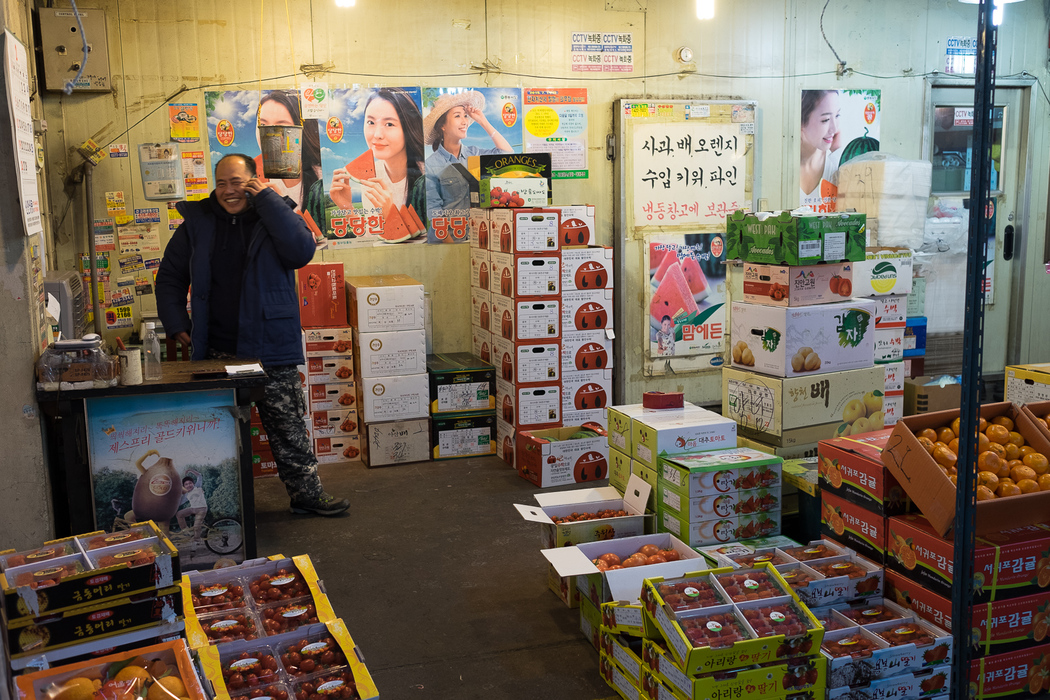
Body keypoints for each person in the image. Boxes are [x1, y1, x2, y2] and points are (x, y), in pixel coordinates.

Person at [156, 153, 349, 516]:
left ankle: (307, 496)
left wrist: (268, 201)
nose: (229, 191)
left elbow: (301, 251)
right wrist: (176, 323)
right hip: (218, 348)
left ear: (254, 181)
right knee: (219, 433)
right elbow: (170, 275)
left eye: (238, 182)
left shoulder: (273, 214)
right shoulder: (198, 222)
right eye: (222, 182)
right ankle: (215, 504)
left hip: (270, 344)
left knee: (287, 427)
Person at [328, 88, 427, 239]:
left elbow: (428, 242)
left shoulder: (428, 175)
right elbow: (370, 237)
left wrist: (389, 214)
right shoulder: (371, 177)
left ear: (408, 128)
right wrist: (346, 207)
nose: (377, 135)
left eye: (389, 124)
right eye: (371, 122)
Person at [423, 91, 513, 217]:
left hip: (479, 232)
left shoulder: (475, 154)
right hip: (451, 234)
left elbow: (507, 155)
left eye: (465, 116)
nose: (465, 121)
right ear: (442, 125)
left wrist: (482, 121)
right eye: (457, 116)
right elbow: (434, 210)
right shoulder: (431, 164)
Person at [255, 89, 327, 236]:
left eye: (282, 125)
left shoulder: (321, 177)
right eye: (263, 125)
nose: (270, 135)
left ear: (302, 130)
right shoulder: (252, 175)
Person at [800, 89, 842, 212]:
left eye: (837, 115)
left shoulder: (837, 163)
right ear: (801, 121)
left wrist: (838, 154)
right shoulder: (780, 165)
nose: (834, 128)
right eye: (825, 120)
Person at [175, 470, 208, 541]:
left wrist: (190, 470)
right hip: (193, 509)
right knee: (179, 514)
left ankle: (196, 540)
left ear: (193, 483)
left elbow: (199, 476)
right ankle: (187, 532)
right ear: (184, 486)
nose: (188, 485)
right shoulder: (186, 494)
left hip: (201, 509)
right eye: (186, 484)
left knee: (196, 527)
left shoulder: (197, 487)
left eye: (190, 483)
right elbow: (179, 503)